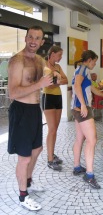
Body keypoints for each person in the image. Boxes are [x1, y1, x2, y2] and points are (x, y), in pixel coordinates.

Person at [7, 25, 53, 211]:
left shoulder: (40, 60)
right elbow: (13, 92)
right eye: (31, 37)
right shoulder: (17, 61)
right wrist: (39, 84)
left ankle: (28, 182)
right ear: (26, 38)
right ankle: (22, 196)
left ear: (42, 42)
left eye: (37, 38)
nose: (33, 41)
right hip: (21, 111)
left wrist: (53, 76)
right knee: (24, 158)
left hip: (34, 110)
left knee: (37, 149)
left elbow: (44, 80)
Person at [71, 50, 103, 189]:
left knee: (80, 139)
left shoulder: (83, 70)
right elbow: (76, 87)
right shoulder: (82, 69)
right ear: (89, 59)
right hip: (81, 108)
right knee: (92, 140)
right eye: (95, 61)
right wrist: (82, 105)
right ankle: (89, 174)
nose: (95, 63)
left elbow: (91, 88)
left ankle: (76, 167)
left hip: (76, 108)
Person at [42, 45, 68, 171]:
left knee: (55, 129)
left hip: (58, 98)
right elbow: (49, 86)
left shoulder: (57, 66)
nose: (61, 57)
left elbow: (66, 80)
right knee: (51, 129)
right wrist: (58, 79)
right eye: (59, 55)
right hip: (48, 98)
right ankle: (50, 159)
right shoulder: (44, 66)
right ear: (52, 54)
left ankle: (52, 153)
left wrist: (57, 79)